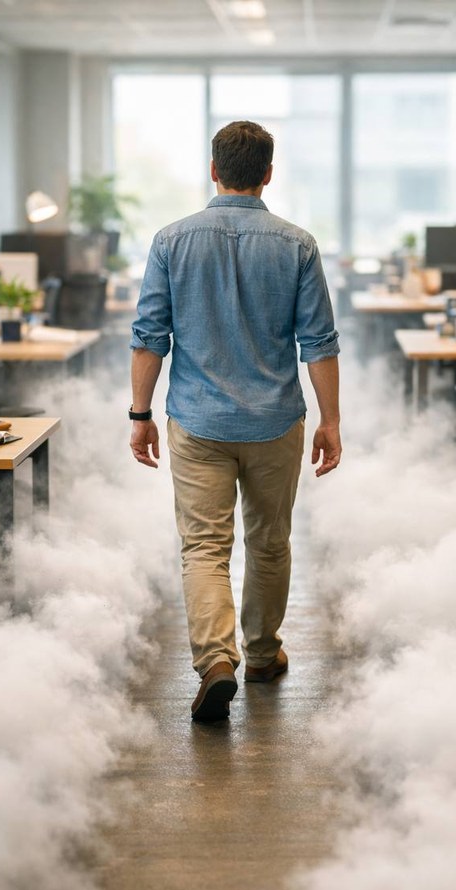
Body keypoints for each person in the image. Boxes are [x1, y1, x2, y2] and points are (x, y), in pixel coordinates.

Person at [129, 120, 341, 724]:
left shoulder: (171, 241)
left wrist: (139, 414)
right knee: (269, 543)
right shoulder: (297, 244)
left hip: (197, 421)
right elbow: (319, 342)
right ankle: (263, 653)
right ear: (268, 173)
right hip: (276, 421)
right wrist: (331, 421)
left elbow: (150, 337)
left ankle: (216, 662)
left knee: (204, 547)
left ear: (214, 170)